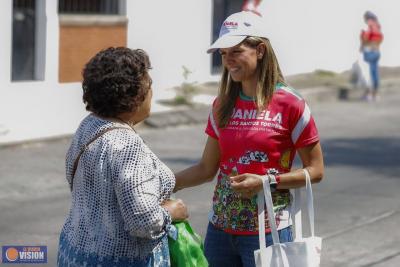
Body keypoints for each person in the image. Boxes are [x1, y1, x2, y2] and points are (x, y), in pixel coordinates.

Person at [174, 11, 324, 267]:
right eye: (223, 54)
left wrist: (267, 181)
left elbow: (316, 171)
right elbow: (206, 169)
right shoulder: (221, 105)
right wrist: (162, 184)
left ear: (260, 50)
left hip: (269, 231)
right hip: (220, 230)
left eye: (236, 51)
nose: (228, 60)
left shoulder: (291, 104)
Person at [57, 47, 188, 267]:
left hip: (75, 252)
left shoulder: (89, 126)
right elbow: (143, 223)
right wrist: (171, 212)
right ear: (135, 94)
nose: (152, 94)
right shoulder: (127, 145)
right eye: (150, 85)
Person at [360, 10, 383, 101]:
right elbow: (380, 38)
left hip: (369, 51)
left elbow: (365, 37)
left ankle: (369, 95)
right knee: (375, 73)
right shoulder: (377, 26)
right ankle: (376, 95)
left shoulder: (369, 25)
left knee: (368, 73)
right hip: (377, 51)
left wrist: (362, 46)